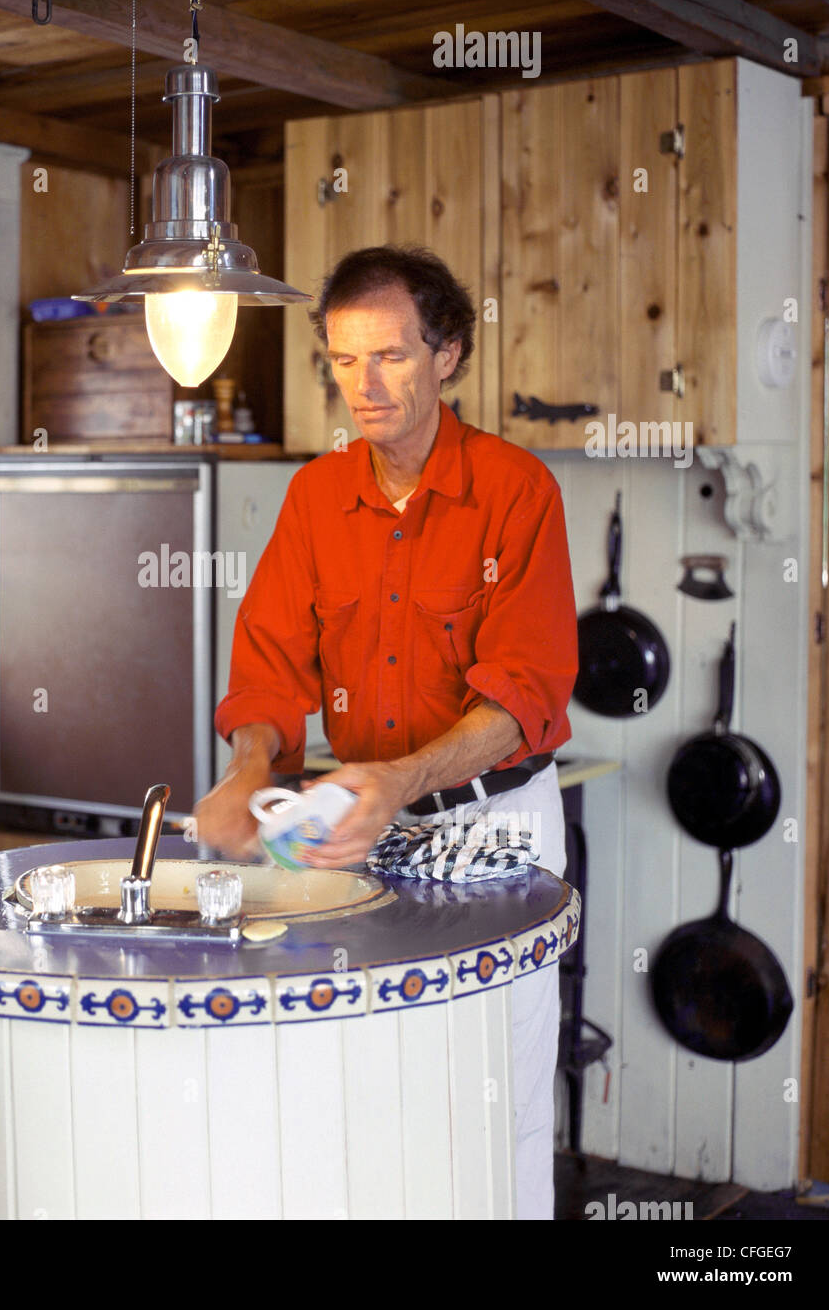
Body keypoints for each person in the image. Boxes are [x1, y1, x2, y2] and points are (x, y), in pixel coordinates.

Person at [192, 244, 578, 1219]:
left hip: (497, 827)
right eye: (344, 359)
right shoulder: (316, 498)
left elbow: (523, 692)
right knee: (364, 1077)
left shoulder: (516, 490)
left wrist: (396, 781)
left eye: (391, 356)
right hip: (359, 818)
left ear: (446, 353)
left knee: (500, 1090)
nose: (364, 385)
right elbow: (270, 666)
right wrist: (247, 770)